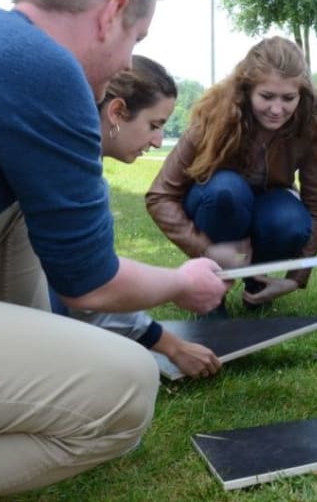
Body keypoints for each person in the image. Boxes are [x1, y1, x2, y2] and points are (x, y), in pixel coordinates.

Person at [0, 0, 227, 496]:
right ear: (112, 13)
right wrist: (181, 281)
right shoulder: (44, 66)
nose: (125, 63)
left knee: (21, 202)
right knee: (125, 391)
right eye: (134, 40)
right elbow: (90, 286)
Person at [52, 56, 221, 379]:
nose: (158, 140)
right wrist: (172, 344)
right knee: (132, 376)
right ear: (116, 112)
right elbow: (89, 290)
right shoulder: (70, 176)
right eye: (154, 125)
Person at [146, 36, 317, 313]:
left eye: (288, 98)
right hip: (217, 203)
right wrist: (205, 250)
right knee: (227, 191)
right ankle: (212, 292)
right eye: (266, 96)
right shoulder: (214, 116)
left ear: (302, 94)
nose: (277, 109)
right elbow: (160, 195)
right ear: (247, 90)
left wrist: (295, 279)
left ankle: (257, 285)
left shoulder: (311, 127)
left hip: (266, 209)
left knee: (290, 220)